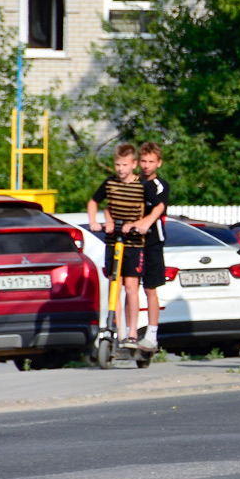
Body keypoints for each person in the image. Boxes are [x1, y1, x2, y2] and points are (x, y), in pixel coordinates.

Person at [86, 144, 148, 351]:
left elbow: (154, 207)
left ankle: (132, 333)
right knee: (116, 286)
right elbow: (95, 202)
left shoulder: (141, 184)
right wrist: (97, 221)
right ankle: (117, 332)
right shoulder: (110, 183)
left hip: (133, 242)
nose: (120, 169)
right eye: (117, 164)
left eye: (124, 165)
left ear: (133, 164)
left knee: (131, 287)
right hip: (114, 241)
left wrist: (140, 225)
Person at [134, 141, 170, 355]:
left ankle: (152, 334)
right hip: (132, 241)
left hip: (152, 241)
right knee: (129, 287)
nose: (147, 166)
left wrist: (145, 223)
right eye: (144, 161)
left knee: (150, 288)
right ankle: (129, 331)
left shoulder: (160, 185)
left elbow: (159, 208)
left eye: (151, 162)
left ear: (158, 163)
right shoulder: (133, 182)